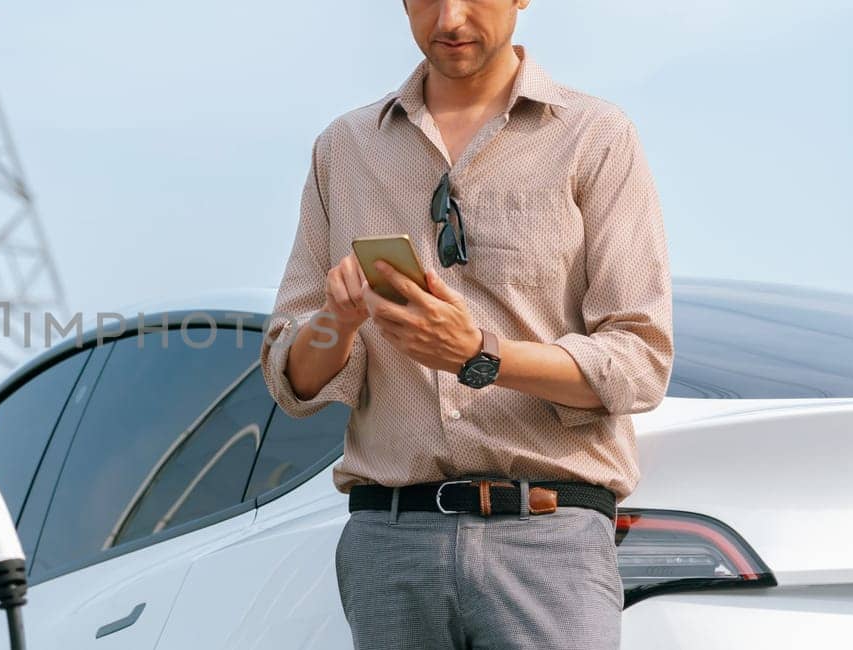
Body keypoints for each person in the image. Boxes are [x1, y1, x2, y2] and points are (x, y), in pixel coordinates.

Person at [258, 1, 673, 648]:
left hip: (548, 544)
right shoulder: (344, 150)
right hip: (389, 548)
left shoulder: (595, 136)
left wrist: (480, 354)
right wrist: (336, 324)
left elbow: (640, 362)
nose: (450, 19)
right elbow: (293, 379)